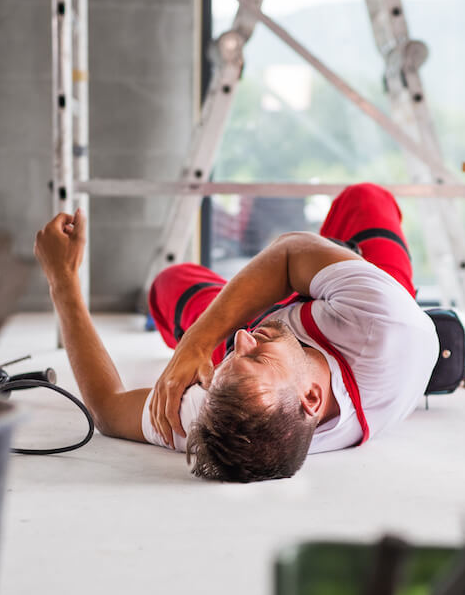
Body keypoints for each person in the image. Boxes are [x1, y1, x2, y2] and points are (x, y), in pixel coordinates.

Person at [34, 183, 439, 482]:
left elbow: (107, 409)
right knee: (365, 198)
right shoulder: (384, 322)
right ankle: (334, 261)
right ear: (312, 398)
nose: (243, 340)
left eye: (231, 362)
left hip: (292, 329)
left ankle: (315, 270)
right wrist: (202, 341)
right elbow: (289, 250)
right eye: (255, 358)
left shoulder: (223, 414)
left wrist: (62, 280)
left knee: (169, 284)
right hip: (367, 310)